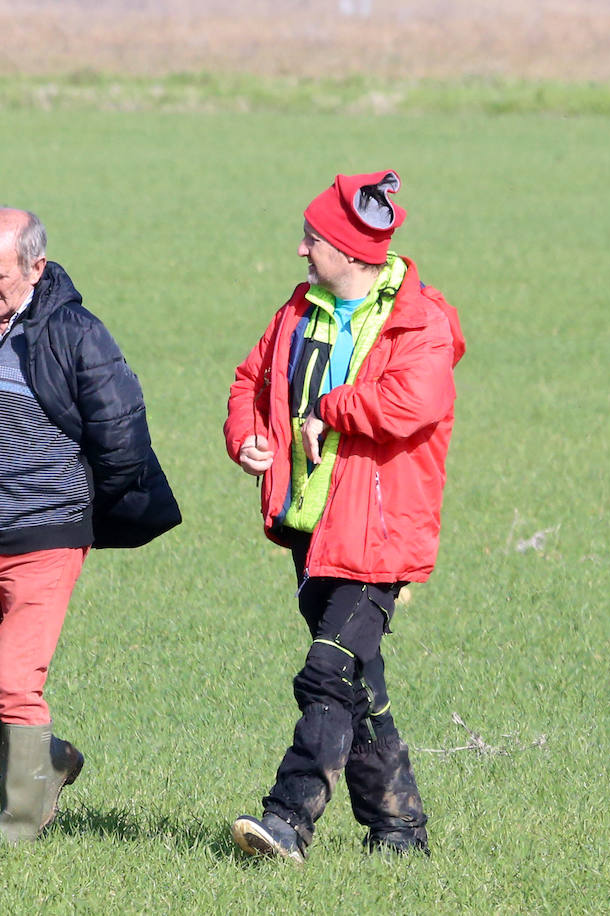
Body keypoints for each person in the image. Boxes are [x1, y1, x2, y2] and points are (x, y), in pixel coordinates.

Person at [0, 207, 181, 843]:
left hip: (48, 543)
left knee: (17, 684)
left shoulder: (76, 335)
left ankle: (19, 827)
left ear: (36, 268)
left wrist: (79, 507)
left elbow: (123, 435)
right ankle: (46, 763)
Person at [223, 171, 464, 862]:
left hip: (378, 538)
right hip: (309, 529)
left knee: (327, 673)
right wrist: (247, 438)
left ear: (350, 250)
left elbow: (409, 404)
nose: (301, 251)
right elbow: (250, 380)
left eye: (312, 239)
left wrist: (329, 410)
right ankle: (398, 830)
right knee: (359, 683)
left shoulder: (420, 321)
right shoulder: (298, 312)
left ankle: (288, 822)